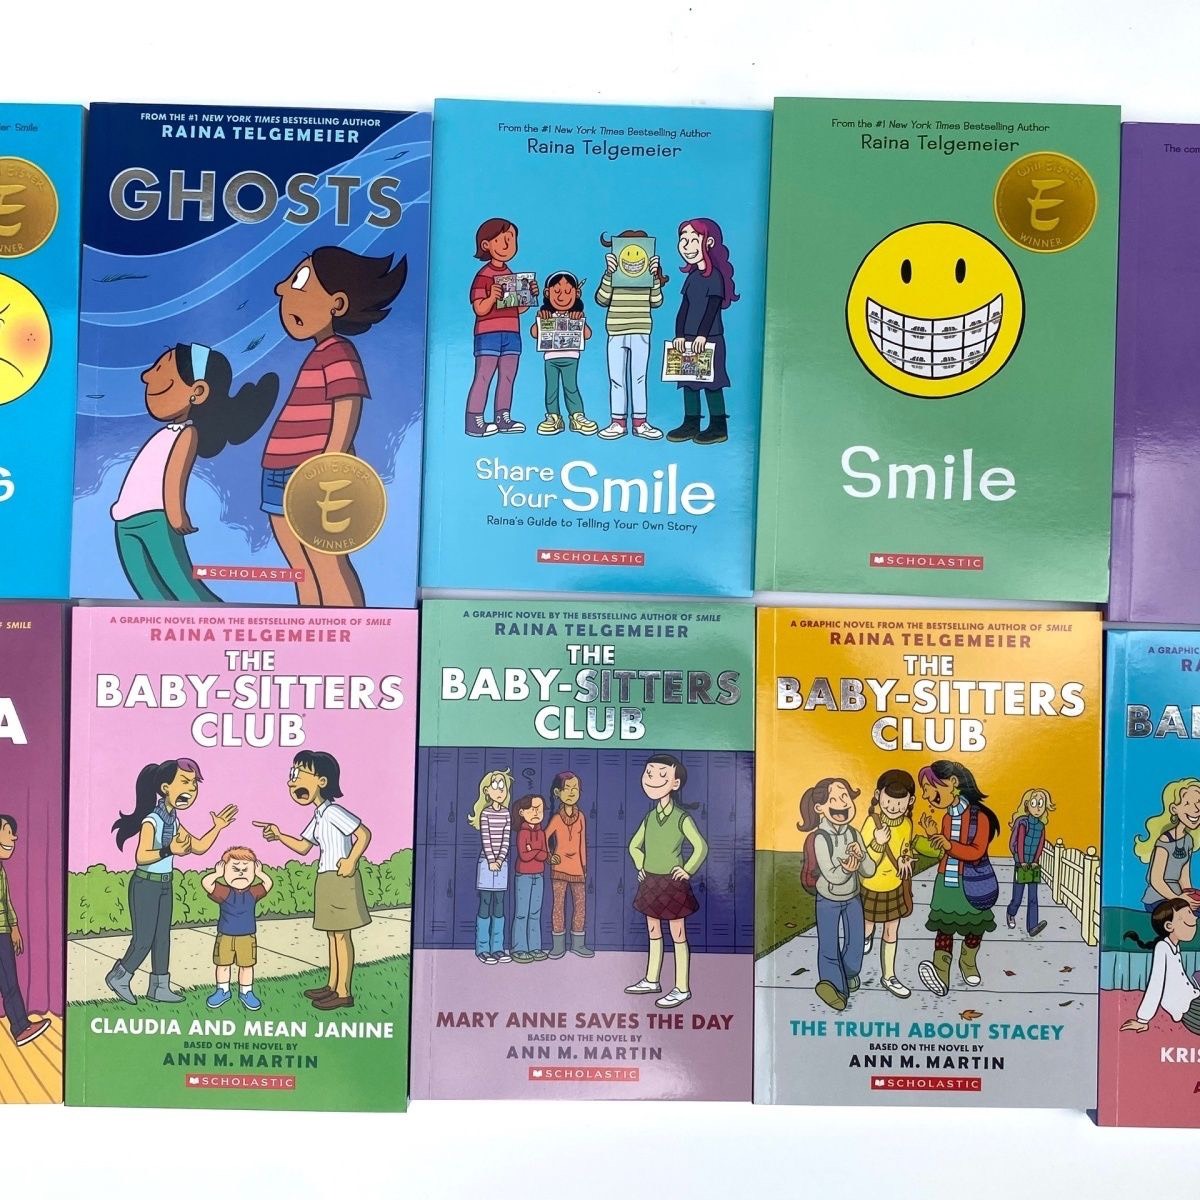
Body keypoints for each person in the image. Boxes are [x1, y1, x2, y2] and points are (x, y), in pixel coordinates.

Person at [261, 247, 407, 606]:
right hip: (278, 470)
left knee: (326, 562)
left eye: (300, 280)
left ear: (337, 304)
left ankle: (352, 633)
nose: (282, 288)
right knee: (300, 567)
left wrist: (331, 461)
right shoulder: (318, 353)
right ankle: (312, 629)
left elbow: (347, 403)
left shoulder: (338, 350)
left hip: (314, 473)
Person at [112, 344, 277, 601]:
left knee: (182, 586)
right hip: (125, 521)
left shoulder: (186, 434)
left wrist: (176, 514)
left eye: (160, 368)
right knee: (148, 590)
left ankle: (219, 619)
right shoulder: (165, 433)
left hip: (156, 519)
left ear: (197, 392)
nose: (146, 376)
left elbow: (174, 474)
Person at [106, 758, 238, 1004]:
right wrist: (169, 850)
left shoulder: (173, 820)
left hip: (164, 884)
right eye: (185, 782)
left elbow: (198, 846)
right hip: (145, 885)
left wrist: (217, 827)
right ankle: (119, 976)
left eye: (194, 784)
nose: (191, 789)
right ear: (165, 788)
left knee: (162, 939)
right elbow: (141, 856)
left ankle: (159, 987)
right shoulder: (153, 820)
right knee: (143, 940)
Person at [252, 751, 371, 1010]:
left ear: (322, 781)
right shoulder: (319, 815)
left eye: (298, 774)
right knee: (332, 935)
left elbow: (363, 834)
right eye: (292, 774)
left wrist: (351, 861)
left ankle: (343, 992)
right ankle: (332, 985)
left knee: (341, 936)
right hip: (325, 877)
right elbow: (304, 846)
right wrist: (279, 835)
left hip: (340, 878)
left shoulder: (334, 812)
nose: (292, 781)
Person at [625, 754, 707, 1009]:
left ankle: (682, 987)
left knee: (678, 934)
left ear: (675, 783)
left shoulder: (681, 817)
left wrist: (687, 870)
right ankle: (652, 979)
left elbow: (700, 847)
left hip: (672, 883)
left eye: (662, 775)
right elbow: (634, 845)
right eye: (649, 773)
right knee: (653, 931)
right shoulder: (650, 818)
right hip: (650, 881)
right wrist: (640, 864)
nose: (653, 779)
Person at [913, 760, 1000, 996]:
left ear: (952, 783)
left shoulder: (979, 817)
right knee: (944, 930)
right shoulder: (946, 818)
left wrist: (948, 844)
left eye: (929, 787)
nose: (926, 795)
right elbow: (944, 851)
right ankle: (940, 974)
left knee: (975, 929)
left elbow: (976, 852)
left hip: (971, 883)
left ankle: (967, 962)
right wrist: (933, 836)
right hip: (946, 883)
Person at [798, 777, 875, 1011]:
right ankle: (832, 986)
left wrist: (861, 856)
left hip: (852, 897)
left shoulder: (854, 834)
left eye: (845, 797)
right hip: (827, 899)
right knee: (829, 945)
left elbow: (869, 870)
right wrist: (847, 869)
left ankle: (847, 974)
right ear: (819, 808)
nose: (842, 803)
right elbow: (832, 876)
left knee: (856, 943)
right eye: (833, 799)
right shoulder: (820, 838)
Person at [668, 218, 738, 444]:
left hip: (711, 338)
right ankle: (691, 423)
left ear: (708, 242)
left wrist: (702, 336)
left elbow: (712, 308)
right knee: (689, 381)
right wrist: (680, 335)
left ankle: (718, 425)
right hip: (688, 338)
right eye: (683, 240)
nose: (686, 246)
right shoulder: (692, 277)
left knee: (712, 382)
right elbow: (683, 309)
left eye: (692, 240)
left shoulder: (714, 276)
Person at [466, 218, 535, 436]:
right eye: (501, 239)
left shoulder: (511, 276)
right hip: (488, 333)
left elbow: (518, 309)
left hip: (512, 332)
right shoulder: (483, 276)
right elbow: (479, 308)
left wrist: (529, 295)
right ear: (486, 245)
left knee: (508, 376)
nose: (507, 244)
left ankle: (502, 416)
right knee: (484, 375)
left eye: (511, 238)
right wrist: (491, 297)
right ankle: (474, 420)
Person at [595, 230, 666, 439]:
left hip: (641, 329)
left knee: (639, 378)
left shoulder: (647, 277)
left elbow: (657, 302)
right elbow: (601, 299)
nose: (633, 257)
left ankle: (640, 422)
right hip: (616, 330)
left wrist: (654, 278)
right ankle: (618, 422)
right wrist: (609, 274)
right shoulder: (613, 275)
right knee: (616, 378)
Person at [860, 769, 916, 999]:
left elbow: (905, 848)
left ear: (910, 801)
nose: (893, 807)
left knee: (891, 930)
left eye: (900, 802)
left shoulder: (907, 824)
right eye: (889, 801)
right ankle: (863, 943)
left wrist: (905, 858)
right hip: (871, 885)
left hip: (894, 886)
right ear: (878, 796)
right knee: (867, 925)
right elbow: (864, 863)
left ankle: (889, 976)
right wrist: (877, 843)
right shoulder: (870, 823)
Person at [201, 846, 273, 1011]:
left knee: (246, 966)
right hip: (225, 935)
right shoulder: (224, 891)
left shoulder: (253, 892)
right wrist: (217, 874)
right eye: (235, 869)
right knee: (223, 965)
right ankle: (223, 990)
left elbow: (268, 883)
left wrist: (260, 873)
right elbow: (206, 883)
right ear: (224, 870)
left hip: (247, 936)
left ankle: (246, 992)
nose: (241, 873)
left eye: (246, 869)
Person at [0, 815, 50, 1047]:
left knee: (9, 981)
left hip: (3, 930)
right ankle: (21, 1028)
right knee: (9, 981)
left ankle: (21, 1026)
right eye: (8, 832)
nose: (14, 838)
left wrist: (14, 927)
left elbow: (6, 901)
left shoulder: (1, 870)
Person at [1120, 897, 1200, 1035]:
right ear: (1169, 926)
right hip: (1189, 1009)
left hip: (1193, 999)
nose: (1194, 919)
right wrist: (1143, 1019)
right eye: (1187, 917)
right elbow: (1155, 985)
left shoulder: (1174, 947)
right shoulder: (1163, 947)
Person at [530, 271, 597, 435]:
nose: (562, 296)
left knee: (571, 387)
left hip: (571, 357)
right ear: (547, 293)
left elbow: (588, 335)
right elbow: (534, 333)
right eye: (557, 291)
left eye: (567, 292)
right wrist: (539, 321)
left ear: (576, 293)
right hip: (551, 357)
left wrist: (581, 321)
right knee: (551, 388)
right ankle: (553, 417)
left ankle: (577, 416)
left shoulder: (576, 315)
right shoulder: (547, 315)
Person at [466, 769, 514, 964]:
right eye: (495, 785)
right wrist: (492, 860)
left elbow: (506, 839)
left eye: (503, 786)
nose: (500, 790)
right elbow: (485, 838)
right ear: (487, 790)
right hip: (486, 862)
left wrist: (500, 860)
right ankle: (483, 948)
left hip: (502, 863)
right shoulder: (485, 813)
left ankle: (498, 948)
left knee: (500, 904)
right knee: (485, 902)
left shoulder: (506, 814)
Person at [1133, 777, 1200, 911]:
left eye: (1198, 802)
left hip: (1179, 897)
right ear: (1174, 809)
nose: (1196, 809)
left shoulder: (1188, 840)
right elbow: (1156, 880)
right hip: (1158, 898)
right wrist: (1178, 899)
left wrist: (1191, 897)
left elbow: (1184, 878)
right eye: (1188, 803)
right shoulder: (1164, 840)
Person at [545, 771, 592, 959]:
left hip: (577, 869)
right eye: (567, 788)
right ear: (558, 793)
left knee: (580, 907)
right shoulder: (557, 818)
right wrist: (550, 857)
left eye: (575, 789)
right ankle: (558, 946)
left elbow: (582, 844)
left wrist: (584, 866)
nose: (572, 792)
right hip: (559, 869)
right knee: (558, 906)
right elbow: (544, 837)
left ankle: (578, 944)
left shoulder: (581, 818)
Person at [1006, 787, 1053, 937]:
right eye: (1034, 803)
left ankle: (1032, 926)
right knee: (1017, 897)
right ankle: (1010, 912)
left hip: (1032, 865)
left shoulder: (1041, 826)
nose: (1037, 808)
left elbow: (1040, 845)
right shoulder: (1023, 823)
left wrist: (1035, 861)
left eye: (1041, 804)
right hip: (1020, 864)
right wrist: (1021, 861)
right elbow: (1019, 843)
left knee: (1033, 897)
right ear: (1027, 805)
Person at [512, 794, 550, 963]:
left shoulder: (541, 833)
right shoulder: (522, 833)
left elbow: (545, 855)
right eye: (532, 809)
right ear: (522, 812)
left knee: (535, 913)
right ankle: (519, 949)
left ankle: (535, 947)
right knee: (522, 914)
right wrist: (537, 851)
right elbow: (524, 856)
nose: (536, 813)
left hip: (539, 876)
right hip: (524, 876)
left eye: (539, 810)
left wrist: (532, 849)